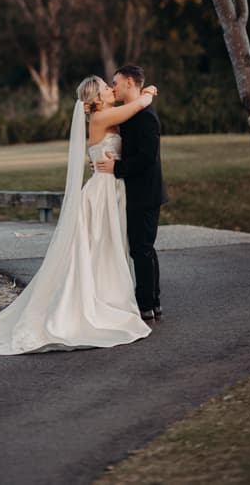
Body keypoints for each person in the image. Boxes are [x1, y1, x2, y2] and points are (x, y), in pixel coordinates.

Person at [0, 76, 157, 355]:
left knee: (106, 248)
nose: (112, 89)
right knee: (99, 248)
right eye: (107, 87)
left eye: (113, 85)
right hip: (102, 193)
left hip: (111, 188)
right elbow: (138, 106)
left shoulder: (104, 116)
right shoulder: (102, 117)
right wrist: (149, 93)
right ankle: (101, 302)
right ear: (97, 99)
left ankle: (109, 297)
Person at [96, 65, 167, 321]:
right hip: (136, 191)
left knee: (142, 249)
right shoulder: (131, 112)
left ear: (128, 82)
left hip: (145, 192)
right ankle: (153, 302)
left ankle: (146, 305)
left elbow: (147, 158)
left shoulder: (146, 116)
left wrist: (117, 167)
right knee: (144, 248)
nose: (113, 87)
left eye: (115, 82)